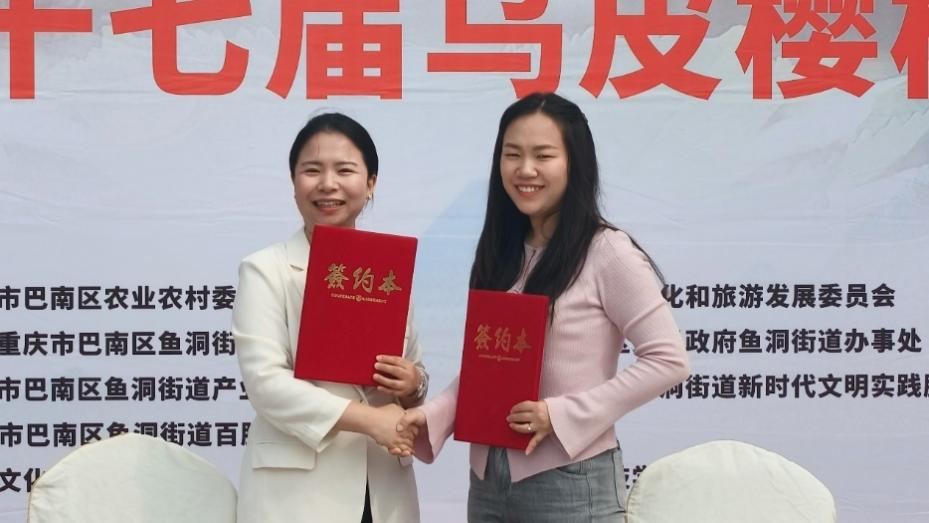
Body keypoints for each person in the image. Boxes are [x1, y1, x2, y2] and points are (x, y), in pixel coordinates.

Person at [395, 92, 690, 522]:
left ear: (575, 163)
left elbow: (669, 360)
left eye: (543, 155)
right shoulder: (502, 250)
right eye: (512, 154)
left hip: (570, 479)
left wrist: (561, 415)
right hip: (488, 480)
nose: (525, 169)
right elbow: (489, 367)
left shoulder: (607, 251)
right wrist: (433, 417)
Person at [233, 113, 427, 523]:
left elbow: (412, 371)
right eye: (312, 170)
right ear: (294, 183)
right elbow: (266, 384)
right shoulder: (265, 269)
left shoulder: (388, 272)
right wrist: (370, 420)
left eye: (345, 170)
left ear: (370, 183)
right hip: (299, 493)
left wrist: (413, 385)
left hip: (384, 488)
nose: (327, 184)